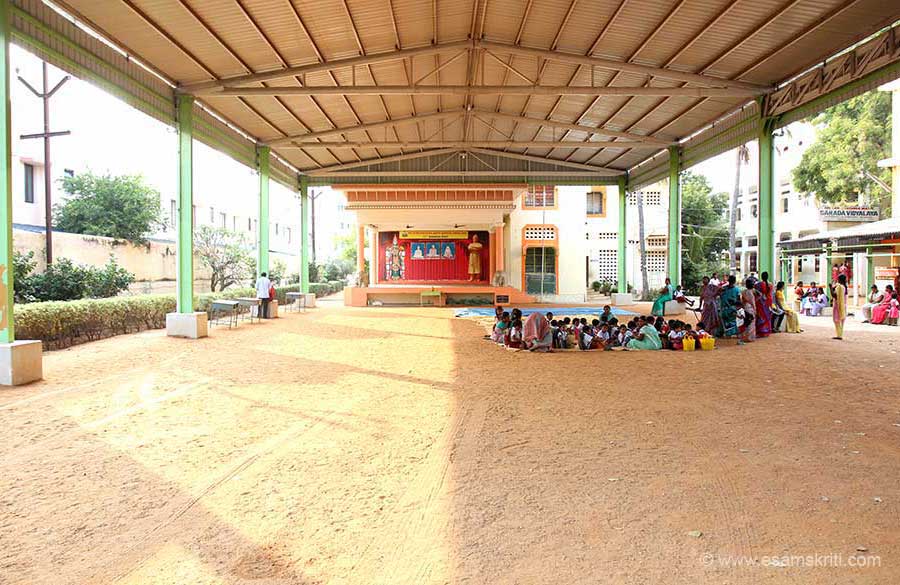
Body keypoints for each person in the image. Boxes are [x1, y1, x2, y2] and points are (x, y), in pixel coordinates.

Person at [754, 272, 774, 337]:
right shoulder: (770, 285)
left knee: (760, 317)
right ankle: (767, 331)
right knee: (767, 317)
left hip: (760, 303)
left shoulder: (758, 284)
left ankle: (760, 332)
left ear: (761, 276)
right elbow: (770, 294)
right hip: (768, 302)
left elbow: (755, 293)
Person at [738, 278, 757, 344]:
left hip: (745, 308)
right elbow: (753, 303)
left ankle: (745, 336)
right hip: (751, 308)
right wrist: (755, 310)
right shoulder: (751, 292)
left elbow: (742, 301)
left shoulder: (743, 292)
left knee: (746, 322)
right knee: (751, 323)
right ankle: (750, 337)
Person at [832, 274, 847, 340]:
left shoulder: (839, 287)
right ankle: (840, 334)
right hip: (844, 305)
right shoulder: (845, 287)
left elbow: (834, 296)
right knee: (841, 320)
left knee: (836, 319)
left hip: (838, 305)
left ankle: (839, 335)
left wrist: (830, 288)